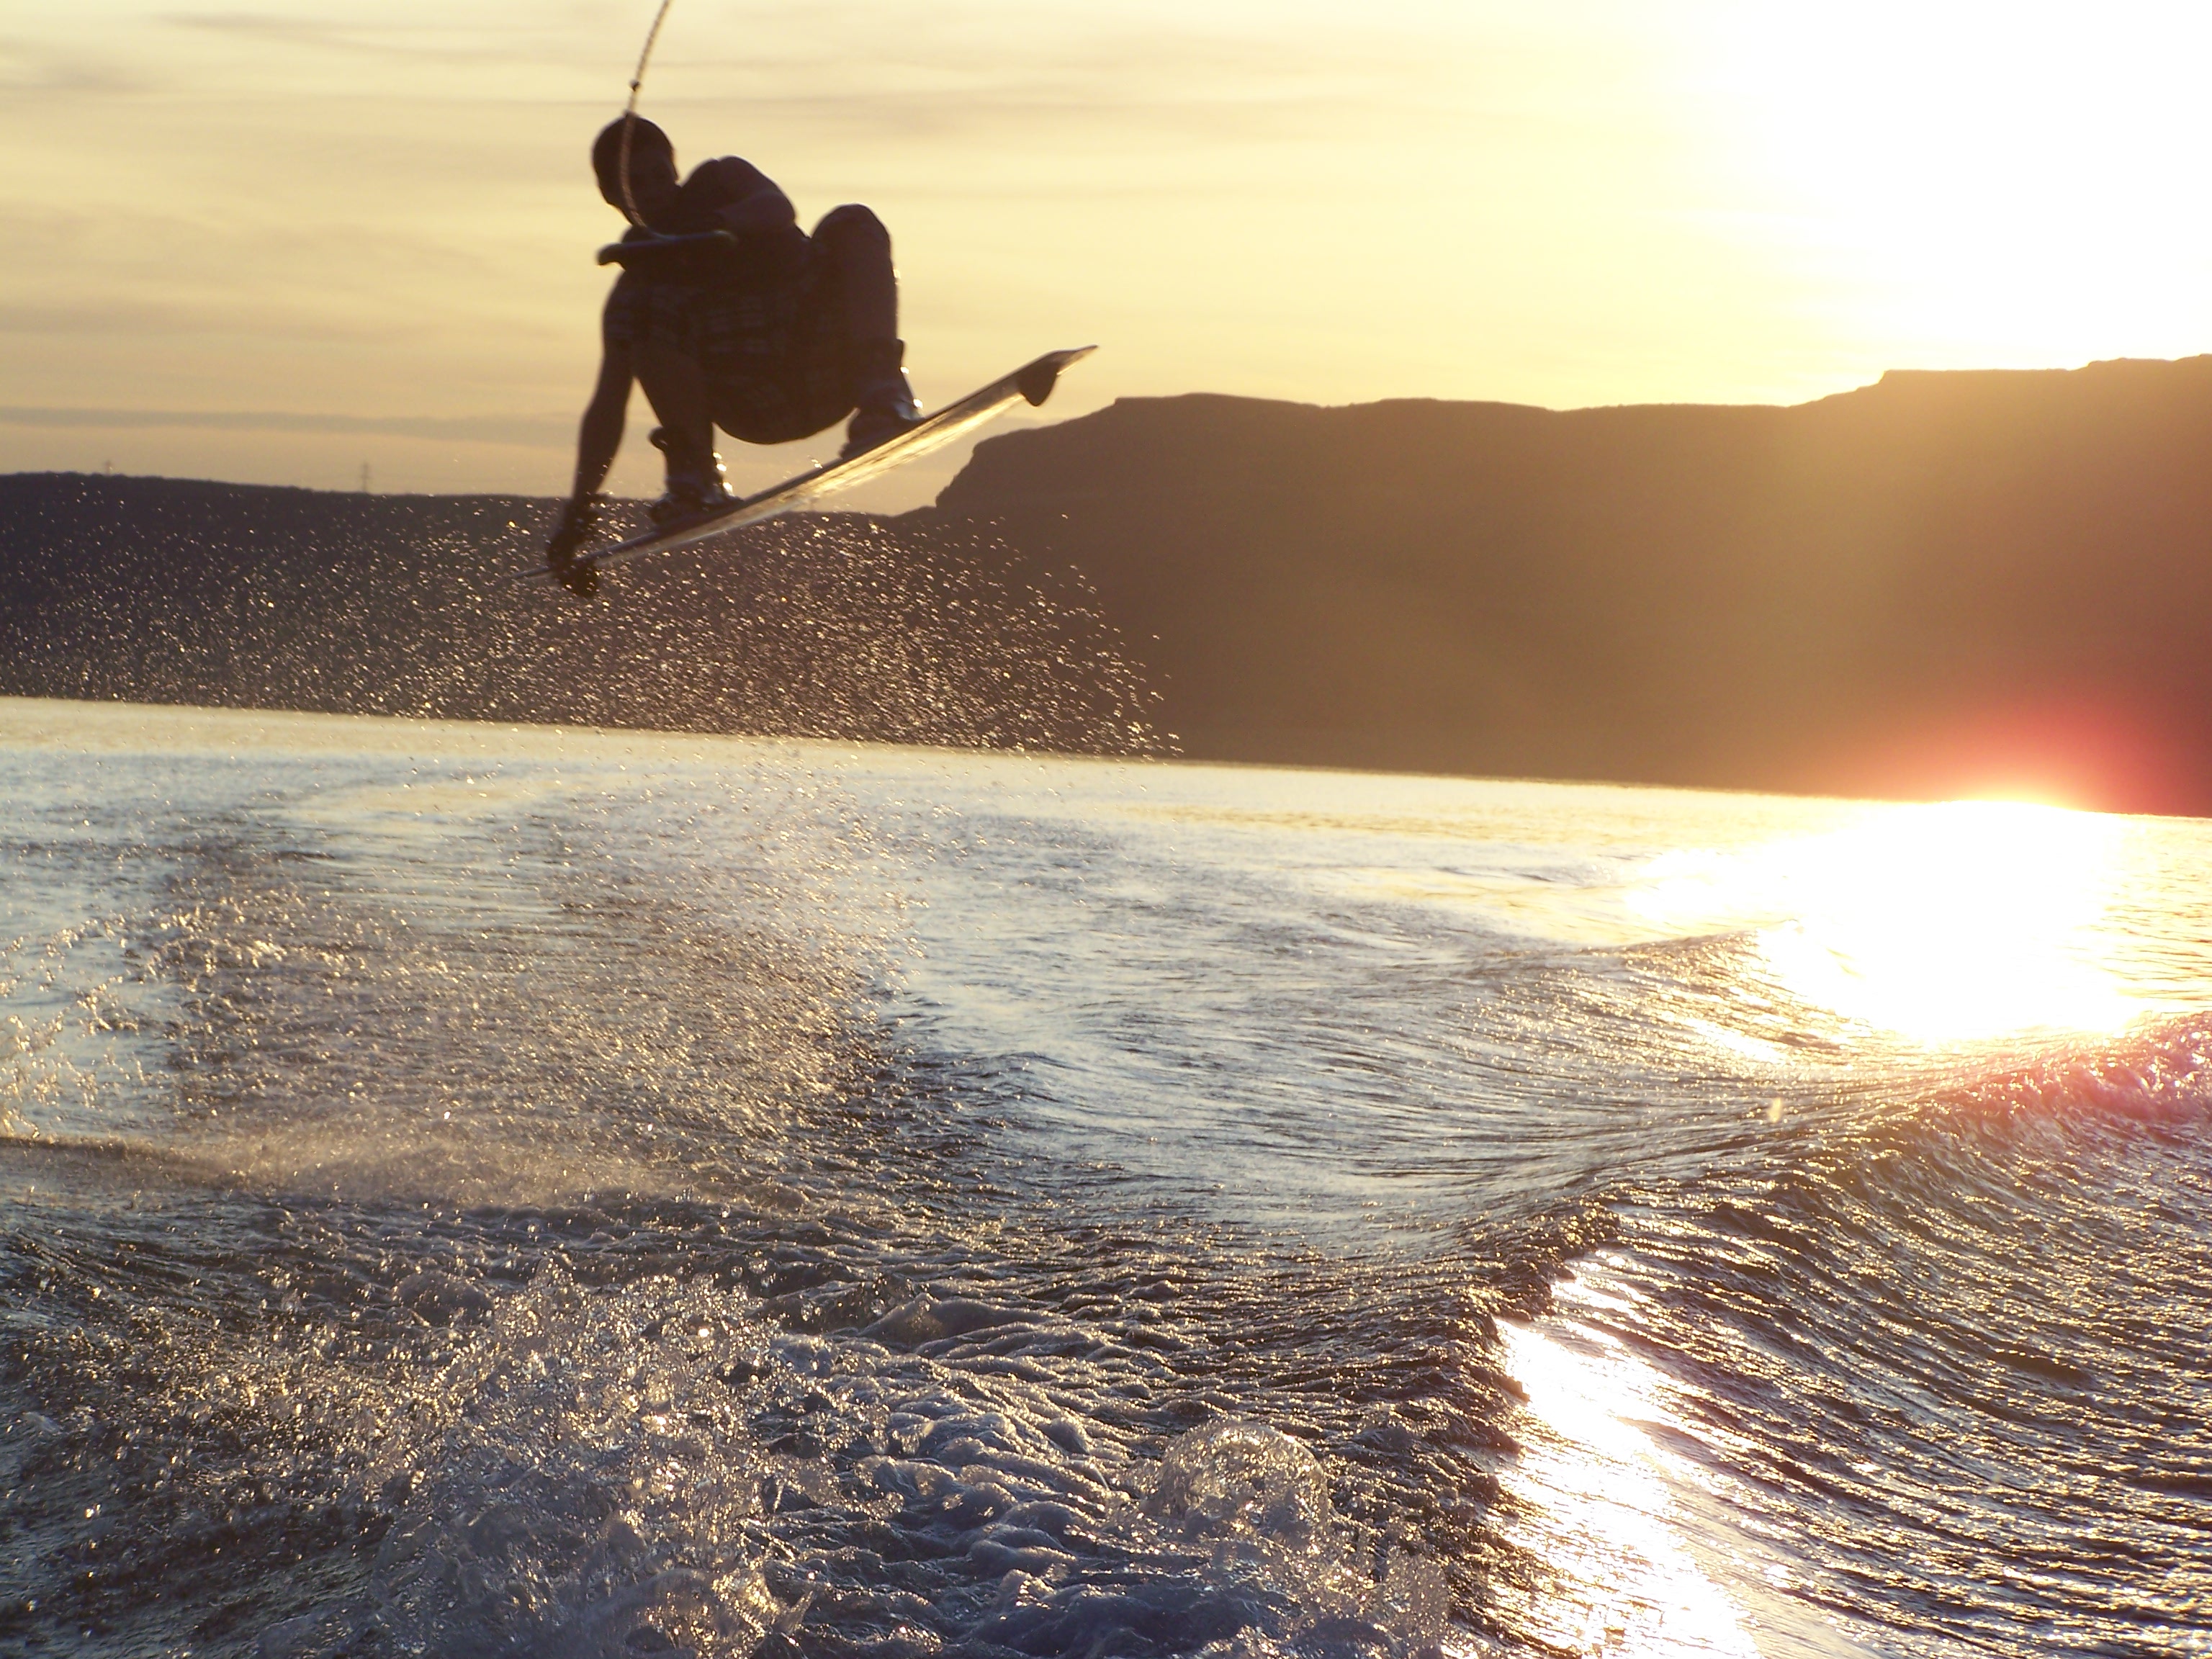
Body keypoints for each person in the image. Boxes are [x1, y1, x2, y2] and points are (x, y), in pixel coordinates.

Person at [544, 116, 921, 591]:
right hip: (754, 406)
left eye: (660, 174)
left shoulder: (724, 182)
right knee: (640, 306)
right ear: (612, 196)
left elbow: (778, 208)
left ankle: (882, 395)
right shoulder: (637, 289)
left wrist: (716, 225)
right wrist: (578, 513)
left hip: (828, 371)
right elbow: (607, 408)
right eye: (635, 184)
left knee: (854, 221)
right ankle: (696, 474)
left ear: (675, 171)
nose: (653, 190)